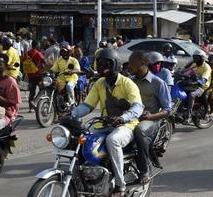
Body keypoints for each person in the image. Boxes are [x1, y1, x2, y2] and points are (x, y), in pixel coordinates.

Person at [71, 49, 143, 196]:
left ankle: (120, 184)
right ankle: (85, 180)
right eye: (100, 63)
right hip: (103, 125)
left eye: (106, 63)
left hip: (126, 126)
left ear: (115, 65)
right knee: (80, 141)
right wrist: (71, 114)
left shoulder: (127, 83)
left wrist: (123, 118)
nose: (102, 66)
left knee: (113, 140)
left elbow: (138, 107)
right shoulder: (99, 84)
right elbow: (87, 106)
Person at [128, 50, 172, 184]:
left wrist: (151, 116)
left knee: (139, 130)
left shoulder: (158, 83)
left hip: (151, 121)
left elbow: (167, 110)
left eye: (132, 65)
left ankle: (144, 169)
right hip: (131, 117)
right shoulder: (130, 82)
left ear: (142, 64)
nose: (129, 67)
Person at [185, 49, 211, 123]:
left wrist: (193, 83)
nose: (196, 59)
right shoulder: (195, 65)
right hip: (193, 84)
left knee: (192, 95)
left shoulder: (207, 68)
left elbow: (203, 81)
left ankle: (189, 116)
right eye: (195, 57)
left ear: (202, 58)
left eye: (197, 58)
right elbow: (187, 71)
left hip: (202, 87)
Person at [24, 40, 45, 112]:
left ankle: (30, 108)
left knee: (32, 92)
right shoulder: (38, 53)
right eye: (39, 45)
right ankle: (35, 101)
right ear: (37, 45)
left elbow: (23, 62)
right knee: (42, 89)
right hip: (38, 75)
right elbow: (44, 61)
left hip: (30, 75)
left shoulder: (27, 53)